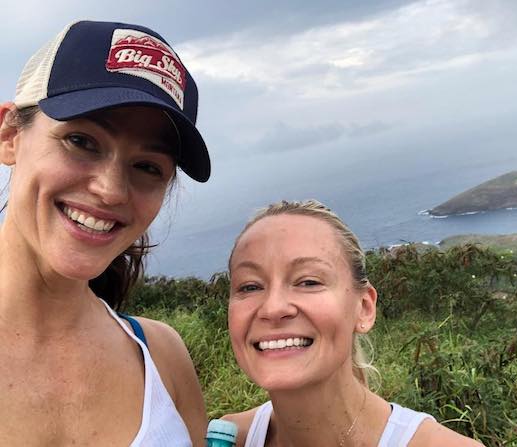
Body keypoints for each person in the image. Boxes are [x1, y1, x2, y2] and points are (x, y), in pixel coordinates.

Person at [0, 20, 211, 446]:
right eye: (82, 141)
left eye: (148, 167)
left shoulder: (161, 359)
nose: (111, 191)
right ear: (9, 135)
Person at [223, 200, 483, 446]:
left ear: (364, 308)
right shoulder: (229, 437)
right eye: (250, 286)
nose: (273, 308)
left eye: (309, 282)